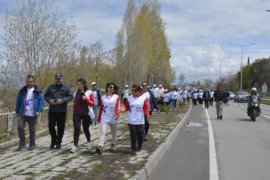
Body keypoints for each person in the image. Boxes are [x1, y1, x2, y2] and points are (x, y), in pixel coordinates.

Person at [15, 75, 44, 151]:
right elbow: (18, 102)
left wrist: (39, 110)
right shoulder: (22, 91)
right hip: (23, 113)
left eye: (30, 81)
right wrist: (17, 111)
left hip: (33, 114)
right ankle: (22, 144)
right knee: (20, 127)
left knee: (32, 130)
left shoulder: (38, 91)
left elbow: (41, 102)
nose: (28, 83)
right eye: (27, 81)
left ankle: (32, 144)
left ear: (33, 82)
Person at [44, 73, 73, 149]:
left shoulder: (66, 87)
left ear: (62, 79)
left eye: (59, 78)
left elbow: (71, 96)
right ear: (55, 79)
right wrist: (49, 100)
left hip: (62, 111)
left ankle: (59, 142)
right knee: (51, 127)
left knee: (61, 127)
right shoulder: (51, 87)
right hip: (52, 110)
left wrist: (62, 100)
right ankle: (53, 140)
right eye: (57, 78)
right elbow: (46, 96)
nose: (58, 80)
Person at [122, 83, 150, 156]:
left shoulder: (144, 98)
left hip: (140, 121)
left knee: (140, 135)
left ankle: (139, 146)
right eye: (132, 90)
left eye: (135, 91)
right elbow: (127, 107)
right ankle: (133, 149)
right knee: (133, 136)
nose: (133, 92)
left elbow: (146, 108)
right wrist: (122, 109)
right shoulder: (130, 98)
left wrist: (147, 115)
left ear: (139, 91)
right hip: (131, 121)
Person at [70, 78, 95, 153]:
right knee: (76, 129)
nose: (79, 86)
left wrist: (86, 99)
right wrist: (74, 112)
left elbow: (92, 103)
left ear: (84, 84)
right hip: (77, 114)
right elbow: (75, 104)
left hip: (86, 114)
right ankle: (75, 145)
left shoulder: (89, 92)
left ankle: (89, 141)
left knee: (85, 129)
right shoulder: (75, 93)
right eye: (78, 84)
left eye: (80, 84)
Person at [96, 82, 120, 154]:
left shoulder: (116, 97)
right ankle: (100, 146)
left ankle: (113, 144)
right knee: (103, 132)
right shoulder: (103, 97)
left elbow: (118, 106)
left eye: (113, 87)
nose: (112, 88)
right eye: (110, 87)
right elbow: (101, 108)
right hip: (104, 118)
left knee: (114, 132)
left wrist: (117, 114)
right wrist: (99, 117)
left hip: (113, 118)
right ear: (107, 88)